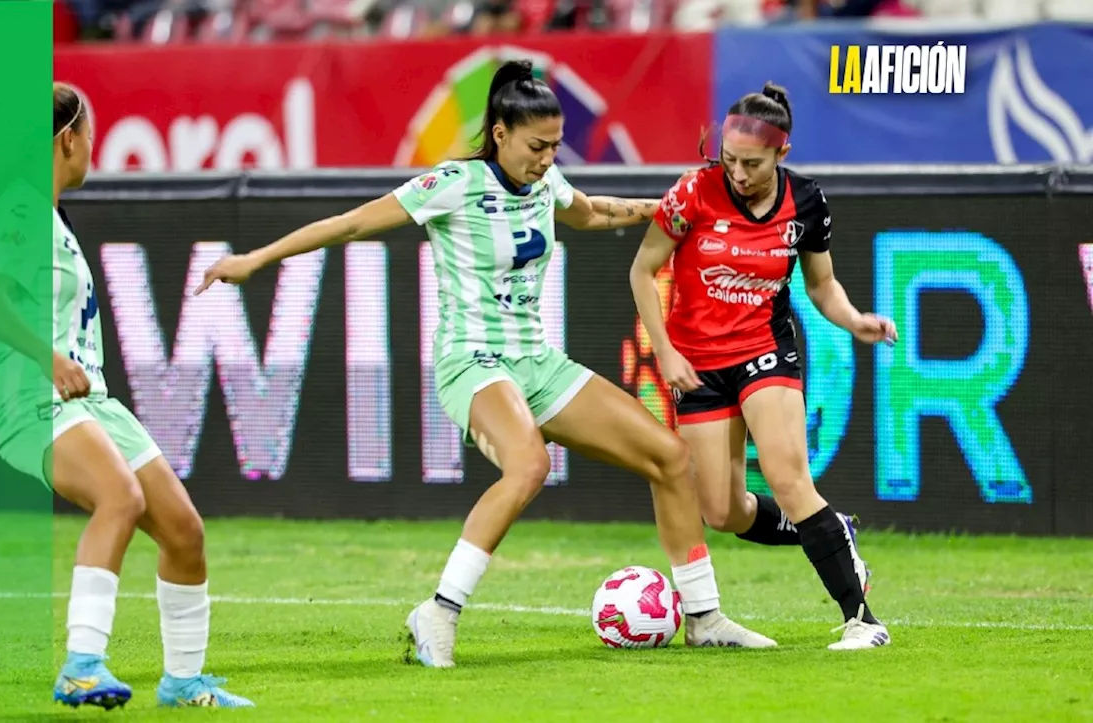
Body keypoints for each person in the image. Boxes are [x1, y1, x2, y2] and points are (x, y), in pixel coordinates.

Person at [195, 60, 776, 668]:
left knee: (670, 457)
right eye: (536, 146)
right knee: (526, 466)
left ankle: (705, 618)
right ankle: (438, 614)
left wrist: (663, 209)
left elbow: (592, 212)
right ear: (499, 133)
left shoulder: (547, 183)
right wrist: (254, 260)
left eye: (555, 146)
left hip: (537, 361)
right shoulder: (453, 183)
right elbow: (351, 223)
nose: (548, 158)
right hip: (473, 362)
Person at [0, 82, 255, 708]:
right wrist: (48, 361)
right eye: (90, 135)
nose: (92, 148)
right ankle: (81, 666)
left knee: (184, 530)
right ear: (67, 137)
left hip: (89, 401)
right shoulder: (17, 208)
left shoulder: (49, 217)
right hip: (32, 401)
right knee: (118, 497)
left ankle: (182, 683)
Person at [628, 82, 894, 650]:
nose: (739, 173)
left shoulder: (806, 201)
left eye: (752, 163)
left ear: (782, 154)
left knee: (789, 478)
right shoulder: (692, 194)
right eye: (729, 159)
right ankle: (830, 533)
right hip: (697, 362)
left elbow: (822, 287)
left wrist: (854, 320)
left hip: (764, 349)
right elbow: (641, 270)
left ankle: (863, 620)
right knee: (722, 511)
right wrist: (666, 352)